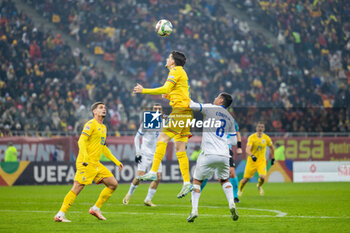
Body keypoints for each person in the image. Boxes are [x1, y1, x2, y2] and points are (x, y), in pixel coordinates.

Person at [133, 51, 193, 198]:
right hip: (186, 112)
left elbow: (165, 88)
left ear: (173, 61)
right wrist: (169, 95)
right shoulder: (181, 72)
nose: (166, 59)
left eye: (168, 57)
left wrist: (143, 90)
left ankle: (153, 172)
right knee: (180, 149)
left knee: (162, 138)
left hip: (180, 111)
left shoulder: (175, 71)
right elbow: (182, 92)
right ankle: (187, 182)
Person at [54, 102, 124, 222]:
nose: (104, 109)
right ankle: (60, 214)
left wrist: (116, 161)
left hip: (96, 164)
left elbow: (103, 147)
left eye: (105, 108)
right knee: (77, 187)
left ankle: (96, 208)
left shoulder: (103, 127)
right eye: (101, 108)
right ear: (94, 112)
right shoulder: (90, 124)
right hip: (85, 162)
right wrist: (85, 157)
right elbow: (81, 141)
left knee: (113, 184)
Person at [187, 93, 239, 222]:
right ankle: (231, 203)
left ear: (221, 100)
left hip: (208, 153)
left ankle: (194, 210)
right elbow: (233, 141)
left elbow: (191, 105)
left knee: (197, 181)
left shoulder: (210, 107)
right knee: (225, 180)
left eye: (217, 96)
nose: (214, 98)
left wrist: (180, 93)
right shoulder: (230, 118)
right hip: (224, 154)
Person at [123, 104, 163, 207]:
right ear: (152, 110)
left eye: (159, 109)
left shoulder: (164, 123)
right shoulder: (146, 122)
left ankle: (148, 200)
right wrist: (138, 152)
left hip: (157, 154)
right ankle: (129, 194)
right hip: (145, 153)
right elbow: (137, 137)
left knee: (158, 177)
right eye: (155, 109)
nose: (157, 110)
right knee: (140, 176)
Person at [199, 120, 242, 203]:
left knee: (232, 172)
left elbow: (237, 133)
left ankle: (235, 197)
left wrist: (239, 147)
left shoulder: (231, 120)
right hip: (213, 149)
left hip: (226, 150)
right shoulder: (212, 119)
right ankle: (197, 191)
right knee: (207, 173)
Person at [238, 122, 275, 197]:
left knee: (262, 177)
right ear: (256, 128)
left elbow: (272, 148)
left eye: (262, 127)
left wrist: (273, 158)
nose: (260, 128)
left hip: (261, 161)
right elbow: (247, 149)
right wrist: (252, 156)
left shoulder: (266, 138)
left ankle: (258, 185)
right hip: (252, 161)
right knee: (245, 180)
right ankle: (240, 189)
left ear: (264, 129)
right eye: (259, 127)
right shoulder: (252, 137)